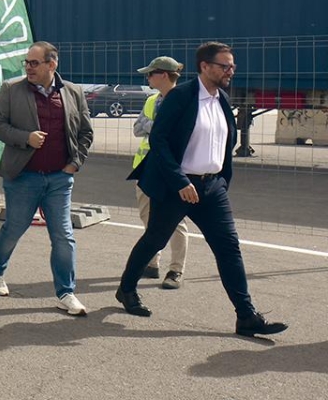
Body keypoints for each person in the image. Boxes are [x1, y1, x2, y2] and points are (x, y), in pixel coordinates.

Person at [115, 42, 287, 337]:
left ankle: (246, 316)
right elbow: (160, 141)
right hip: (177, 186)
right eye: (225, 66)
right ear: (205, 67)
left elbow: (224, 143)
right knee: (155, 239)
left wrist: (220, 181)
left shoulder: (221, 98)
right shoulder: (181, 97)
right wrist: (180, 181)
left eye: (232, 66)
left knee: (228, 248)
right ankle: (126, 289)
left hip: (211, 188)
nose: (230, 71)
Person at [0, 41, 94, 316]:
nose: (28, 68)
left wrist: (75, 163)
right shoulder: (12, 89)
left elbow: (85, 132)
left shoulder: (73, 92)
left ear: (51, 64)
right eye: (27, 63)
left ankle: (66, 293)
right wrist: (26, 138)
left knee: (63, 236)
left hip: (59, 178)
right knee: (14, 228)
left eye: (34, 63)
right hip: (23, 177)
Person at [130, 56, 189, 289]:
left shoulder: (184, 101)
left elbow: (175, 134)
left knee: (176, 222)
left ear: (163, 74)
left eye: (150, 74)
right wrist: (156, 128)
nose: (147, 78)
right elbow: (137, 128)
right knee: (148, 217)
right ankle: (152, 263)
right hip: (146, 168)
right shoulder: (151, 100)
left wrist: (152, 127)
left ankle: (176, 270)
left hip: (172, 170)